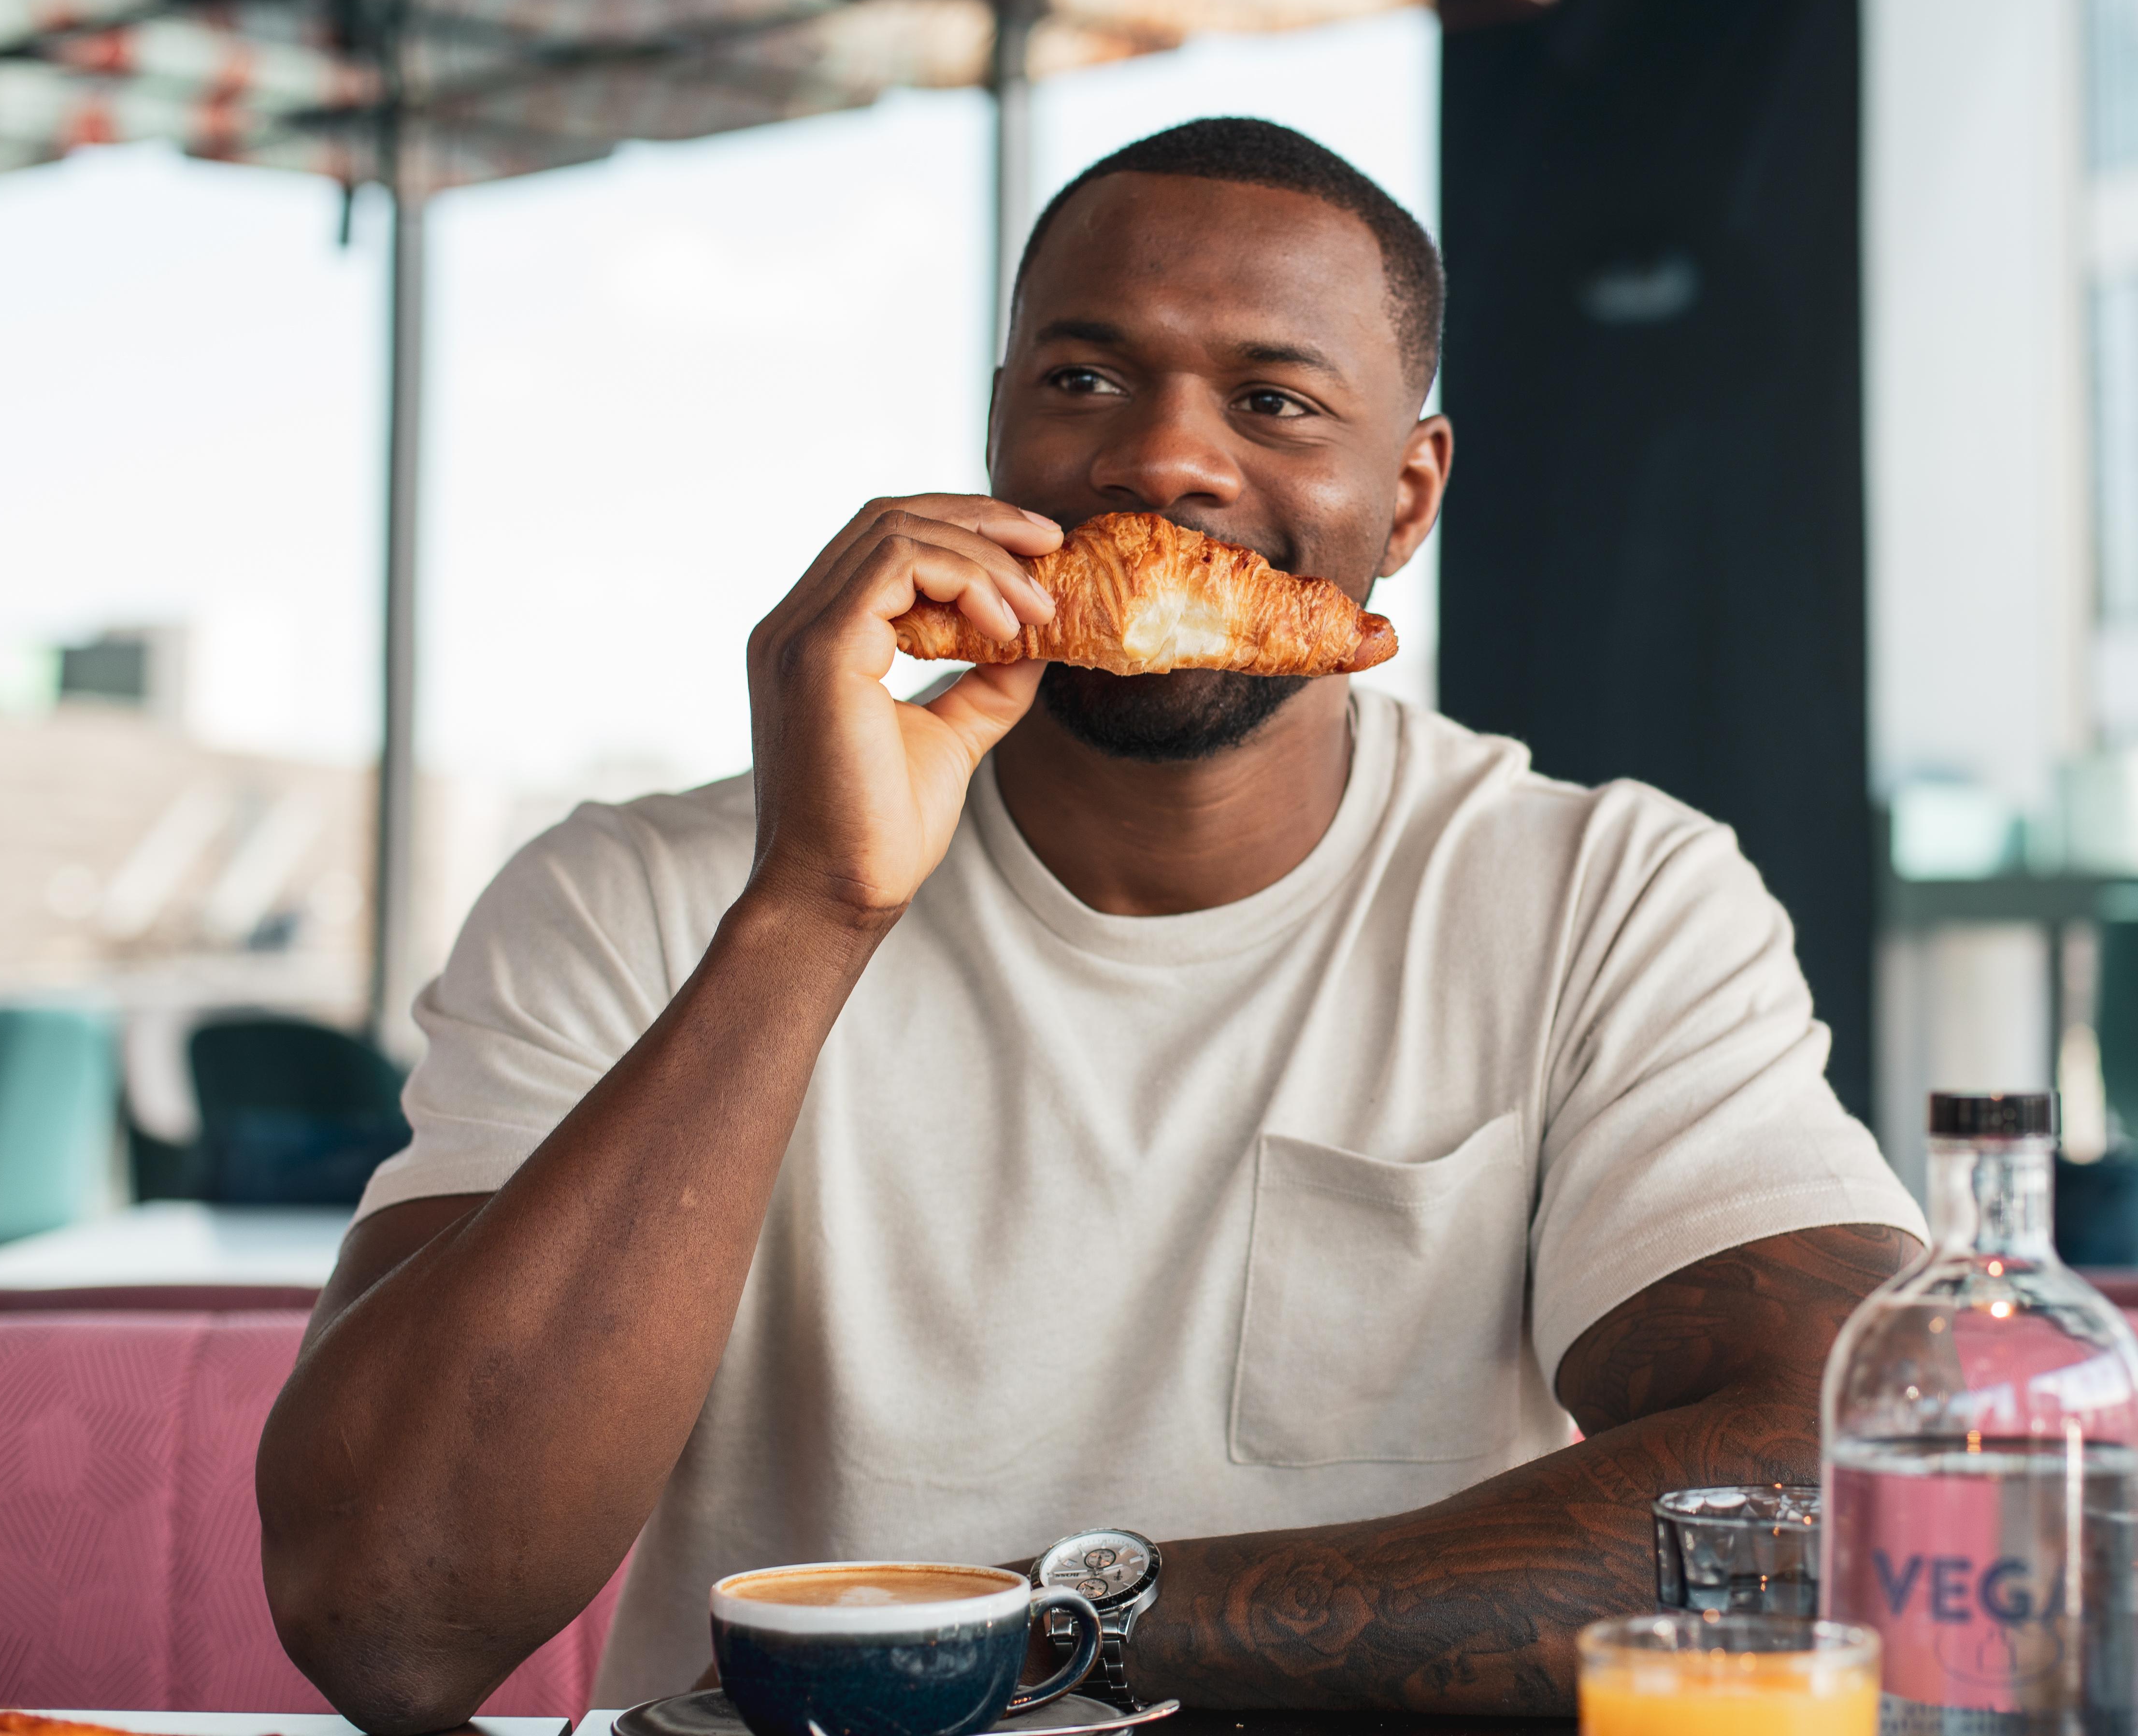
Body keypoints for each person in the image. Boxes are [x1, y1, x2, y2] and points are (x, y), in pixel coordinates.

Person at [258, 117, 1925, 1734]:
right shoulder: (632, 897)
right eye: (1085, 381)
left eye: (1273, 401)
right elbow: (387, 1621)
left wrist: (1062, 1625)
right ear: (999, 435)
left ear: (1407, 500)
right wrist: (810, 910)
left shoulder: (1603, 900)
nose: (1163, 460)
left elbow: (1848, 1471)